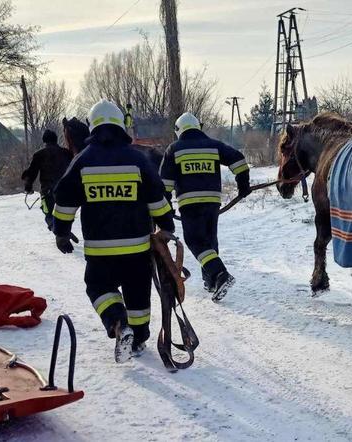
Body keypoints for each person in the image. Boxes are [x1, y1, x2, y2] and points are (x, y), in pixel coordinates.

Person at [52, 99, 175, 363]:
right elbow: (157, 197)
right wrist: (166, 226)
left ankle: (118, 323)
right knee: (138, 294)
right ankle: (139, 338)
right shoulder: (137, 159)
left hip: (100, 250)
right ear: (121, 124)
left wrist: (61, 231)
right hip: (137, 248)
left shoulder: (82, 160)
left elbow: (64, 198)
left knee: (97, 286)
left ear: (93, 126)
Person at [160, 112, 251, 301]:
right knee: (209, 240)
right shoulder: (214, 145)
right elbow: (239, 160)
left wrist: (166, 207)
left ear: (178, 130)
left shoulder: (174, 149)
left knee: (195, 241)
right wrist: (243, 185)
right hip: (212, 202)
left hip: (189, 203)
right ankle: (211, 281)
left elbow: (165, 184)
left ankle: (220, 274)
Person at [21, 129, 73, 230]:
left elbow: (32, 172)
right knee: (65, 215)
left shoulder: (39, 154)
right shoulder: (66, 153)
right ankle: (64, 231)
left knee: (49, 214)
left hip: (48, 191)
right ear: (56, 139)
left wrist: (28, 187)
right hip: (65, 190)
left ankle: (58, 231)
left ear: (44, 140)